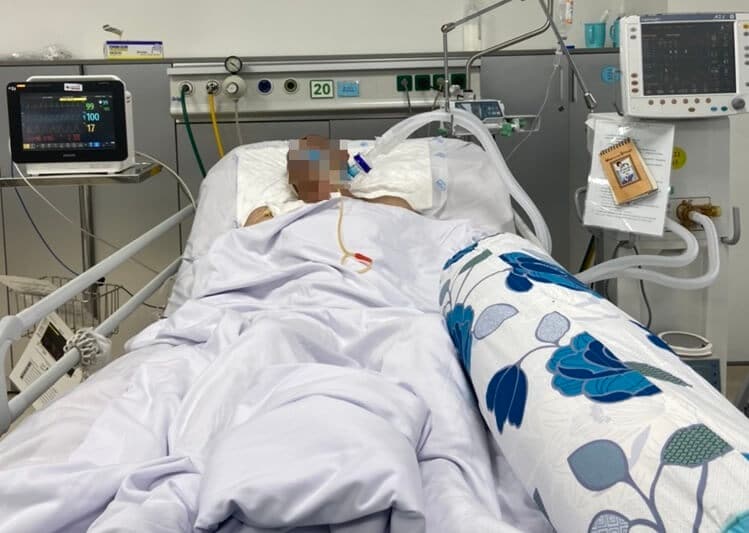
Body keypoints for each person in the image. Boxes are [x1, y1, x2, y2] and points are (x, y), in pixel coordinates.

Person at [244, 135, 413, 226]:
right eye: (301, 157)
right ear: (292, 178)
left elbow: (420, 241)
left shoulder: (391, 206)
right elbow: (246, 251)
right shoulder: (269, 215)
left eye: (322, 151)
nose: (314, 159)